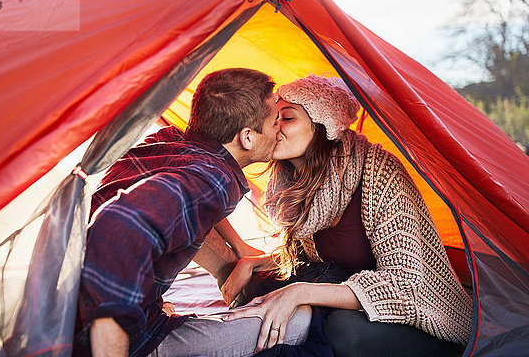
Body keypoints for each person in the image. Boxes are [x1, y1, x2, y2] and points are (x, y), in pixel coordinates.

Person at [218, 74, 473, 356]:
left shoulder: (378, 172)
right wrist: (251, 262)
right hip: (356, 300)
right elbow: (313, 260)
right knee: (263, 287)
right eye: (274, 118)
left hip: (422, 319)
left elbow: (406, 287)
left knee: (342, 329)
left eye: (287, 118)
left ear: (323, 126)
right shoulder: (292, 181)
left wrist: (299, 292)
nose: (275, 128)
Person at [73, 68, 311, 357]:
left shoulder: (168, 143)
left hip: (60, 308)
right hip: (122, 343)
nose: (279, 130)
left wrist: (238, 247)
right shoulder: (213, 178)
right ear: (247, 137)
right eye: (276, 120)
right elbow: (118, 227)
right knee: (299, 320)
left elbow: (178, 213)